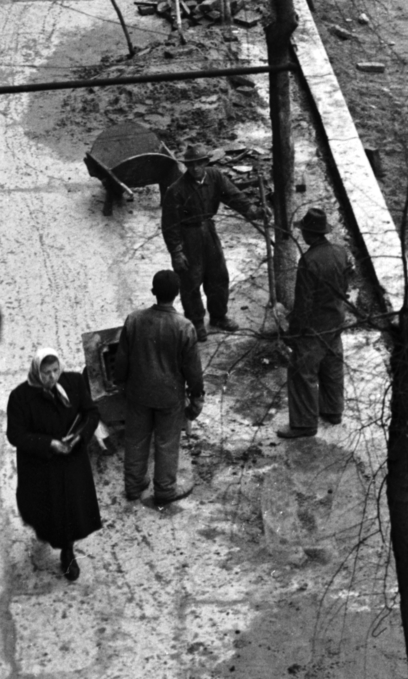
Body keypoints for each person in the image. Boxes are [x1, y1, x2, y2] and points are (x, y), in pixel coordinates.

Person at [6, 347, 101, 581]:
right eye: (46, 372)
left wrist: (79, 436)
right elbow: (15, 435)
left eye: (56, 370)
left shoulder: (74, 382)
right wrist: (49, 444)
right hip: (42, 467)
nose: (52, 377)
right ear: (37, 371)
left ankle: (67, 553)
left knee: (71, 510)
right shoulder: (20, 397)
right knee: (46, 510)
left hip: (71, 463)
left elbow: (91, 413)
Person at [111, 270, 203, 508]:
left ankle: (133, 486)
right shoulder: (185, 327)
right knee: (166, 442)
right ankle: (164, 490)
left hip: (138, 393)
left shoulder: (134, 320)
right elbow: (192, 368)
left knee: (136, 440)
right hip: (170, 397)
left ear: (153, 292)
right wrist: (197, 396)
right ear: (177, 294)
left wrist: (121, 383)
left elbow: (121, 360)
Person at [160, 143, 252, 339]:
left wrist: (250, 210)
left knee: (218, 275)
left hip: (209, 231)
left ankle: (219, 316)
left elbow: (233, 196)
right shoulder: (176, 190)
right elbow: (169, 225)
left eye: (198, 164)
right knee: (191, 281)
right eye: (190, 165)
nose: (194, 169)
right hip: (188, 236)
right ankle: (196, 323)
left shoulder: (215, 177)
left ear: (205, 163)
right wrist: (176, 252)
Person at [277, 208, 354, 440]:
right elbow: (346, 284)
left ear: (310, 234)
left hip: (314, 328)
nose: (302, 236)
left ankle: (303, 424)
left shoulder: (309, 261)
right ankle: (333, 410)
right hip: (335, 320)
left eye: (304, 231)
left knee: (302, 372)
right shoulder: (340, 252)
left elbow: (303, 304)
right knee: (332, 367)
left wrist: (294, 332)